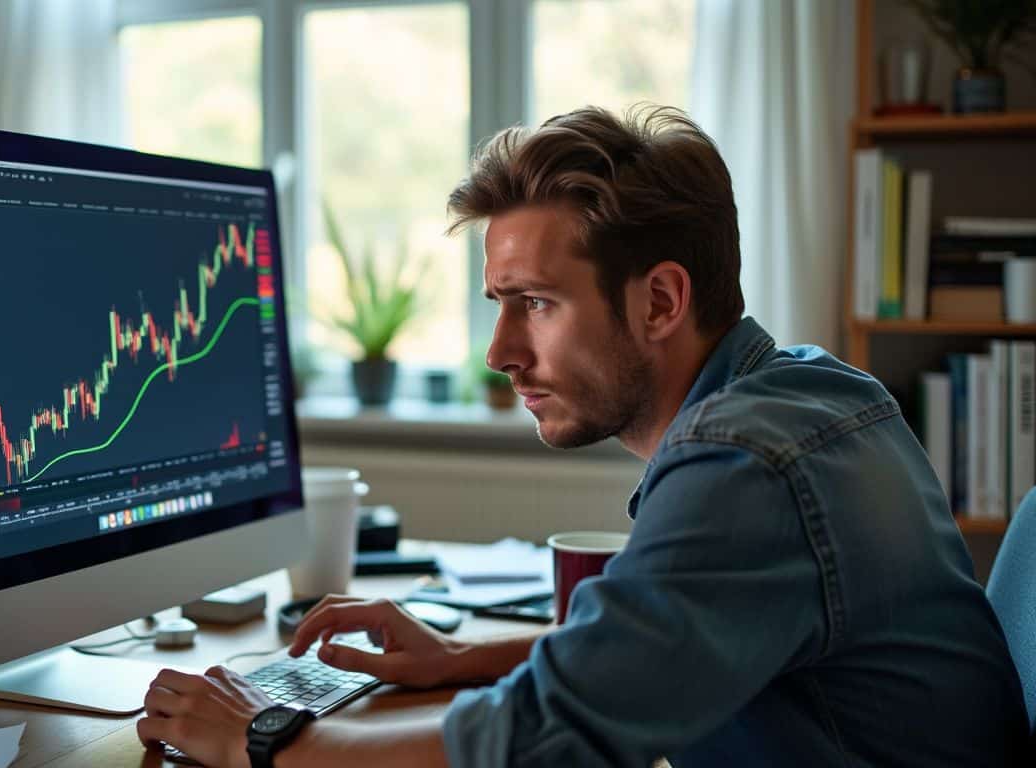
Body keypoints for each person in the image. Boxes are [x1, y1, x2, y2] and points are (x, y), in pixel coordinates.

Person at [135, 106, 1030, 767]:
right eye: (500, 305)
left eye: (537, 304)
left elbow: (550, 740)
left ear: (662, 301)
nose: (500, 353)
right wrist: (461, 656)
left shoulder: (746, 465)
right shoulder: (818, 389)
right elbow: (662, 653)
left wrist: (265, 741)